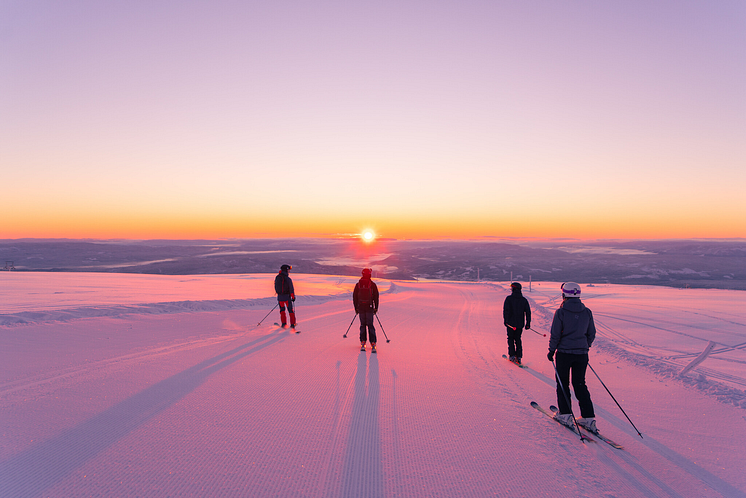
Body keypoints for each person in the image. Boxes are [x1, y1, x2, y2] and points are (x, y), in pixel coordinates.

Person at [547, 282, 598, 432]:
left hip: (564, 353)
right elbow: (592, 333)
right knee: (580, 384)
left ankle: (565, 414)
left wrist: (551, 351)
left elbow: (555, 335)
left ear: (564, 295)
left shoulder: (561, 312)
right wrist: (584, 345)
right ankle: (588, 418)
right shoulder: (587, 312)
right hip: (582, 354)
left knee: (563, 384)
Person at [503, 282, 531, 365]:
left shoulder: (509, 299)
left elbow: (506, 311)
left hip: (510, 324)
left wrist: (506, 321)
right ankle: (518, 356)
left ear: (513, 289)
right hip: (520, 324)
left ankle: (512, 355)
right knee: (518, 339)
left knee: (511, 338)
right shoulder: (524, 300)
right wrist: (528, 323)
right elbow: (528, 312)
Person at [353, 268, 379, 352]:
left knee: (362, 325)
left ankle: (363, 342)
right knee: (370, 325)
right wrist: (376, 308)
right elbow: (376, 297)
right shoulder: (372, 284)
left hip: (360, 307)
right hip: (369, 307)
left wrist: (356, 308)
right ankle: (373, 343)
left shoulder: (358, 284)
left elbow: (354, 297)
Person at [274, 264, 296, 329]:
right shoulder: (288, 279)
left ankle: (284, 324)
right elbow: (291, 289)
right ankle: (292, 325)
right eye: (289, 270)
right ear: (286, 270)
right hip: (287, 298)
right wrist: (293, 297)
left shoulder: (278, 277)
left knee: (282, 310)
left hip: (280, 298)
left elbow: (275, 287)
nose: (289, 271)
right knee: (290, 311)